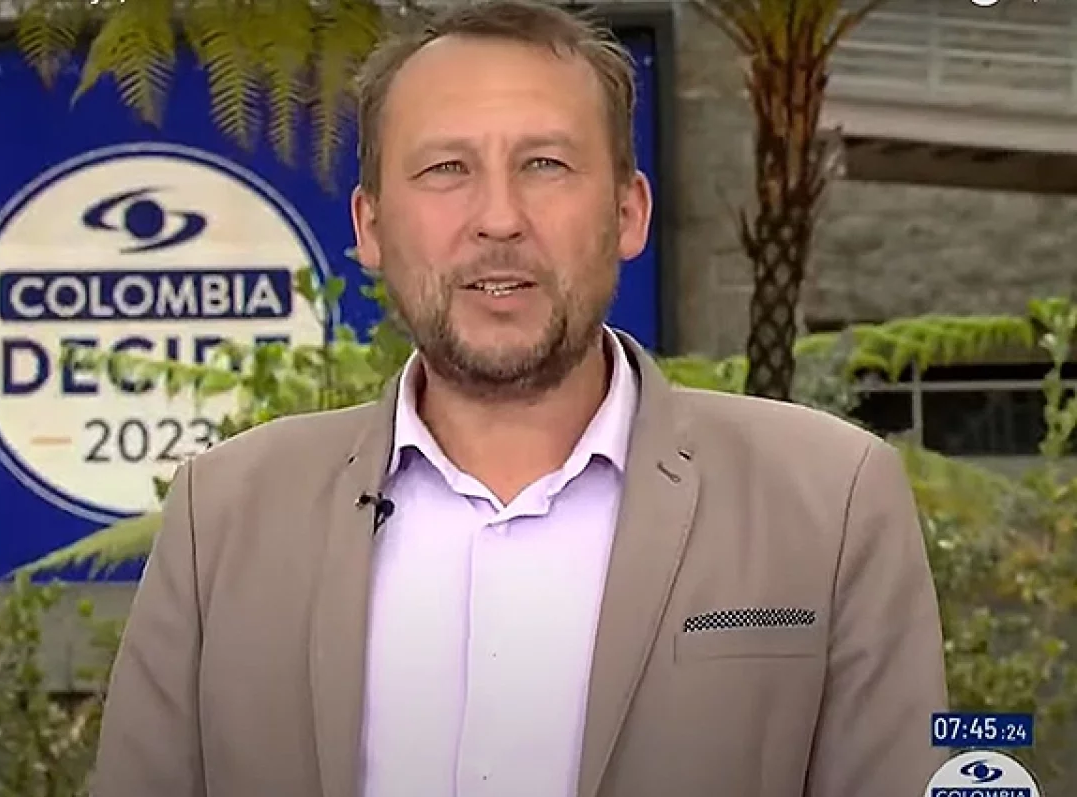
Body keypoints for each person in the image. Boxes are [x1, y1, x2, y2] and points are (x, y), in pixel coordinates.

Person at [90, 1, 949, 795]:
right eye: (445, 168)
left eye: (545, 164)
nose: (498, 217)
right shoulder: (222, 515)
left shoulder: (830, 502)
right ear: (370, 227)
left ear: (628, 212)